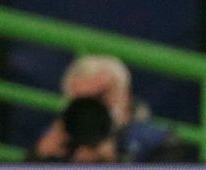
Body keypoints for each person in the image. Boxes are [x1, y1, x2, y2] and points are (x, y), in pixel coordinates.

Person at [32, 55, 195, 163]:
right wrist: (39, 157)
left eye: (101, 98)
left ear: (125, 97)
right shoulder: (60, 138)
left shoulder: (160, 144)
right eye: (82, 101)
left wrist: (113, 165)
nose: (92, 110)